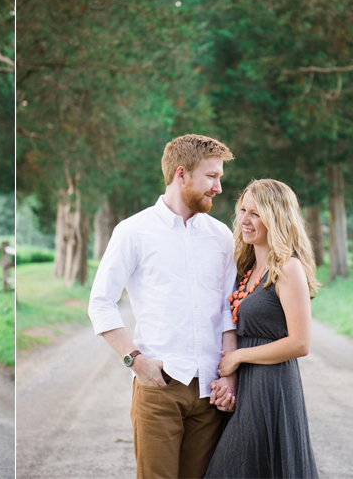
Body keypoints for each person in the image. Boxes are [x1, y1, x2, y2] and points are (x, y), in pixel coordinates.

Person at [89, 134, 240, 479]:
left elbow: (228, 312)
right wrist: (134, 359)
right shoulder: (133, 231)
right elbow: (100, 302)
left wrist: (229, 376)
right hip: (159, 388)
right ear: (182, 174)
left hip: (210, 393)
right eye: (212, 176)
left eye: (220, 177)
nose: (218, 187)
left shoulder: (221, 237)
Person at [205, 179, 320, 478]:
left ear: (276, 217)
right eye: (242, 210)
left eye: (255, 213)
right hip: (247, 386)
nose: (244, 219)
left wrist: (238, 357)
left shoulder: (287, 268)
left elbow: (300, 343)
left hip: (272, 387)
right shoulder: (246, 267)